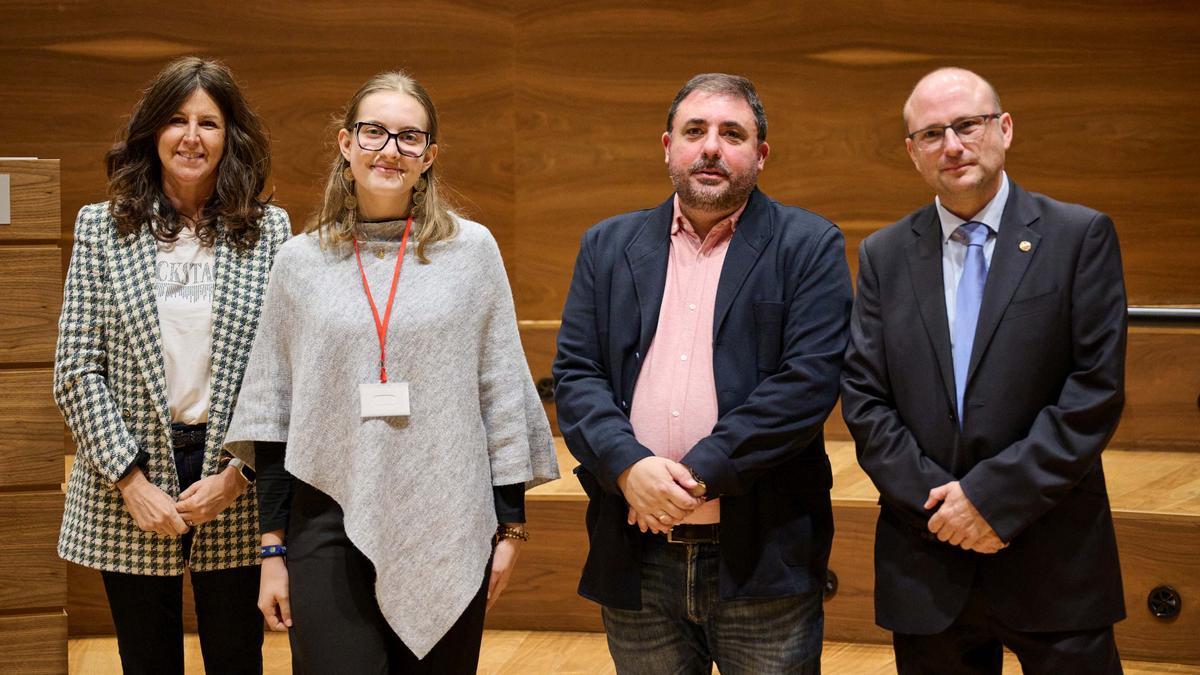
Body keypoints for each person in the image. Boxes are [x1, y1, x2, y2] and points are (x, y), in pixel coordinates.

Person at [223, 70, 558, 673]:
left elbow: (502, 390)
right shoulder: (299, 262)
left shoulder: (473, 253)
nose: (390, 150)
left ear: (429, 156)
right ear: (346, 144)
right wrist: (272, 549)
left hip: (449, 518)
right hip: (327, 517)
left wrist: (510, 527)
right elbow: (274, 412)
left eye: (409, 137)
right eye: (374, 132)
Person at [553, 73, 852, 674]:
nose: (711, 147)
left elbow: (807, 384)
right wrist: (628, 467)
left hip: (763, 554)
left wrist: (692, 477)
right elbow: (578, 376)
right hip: (636, 550)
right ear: (668, 147)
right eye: (695, 131)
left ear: (760, 154)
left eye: (732, 134)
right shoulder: (606, 247)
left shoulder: (809, 245)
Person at [840, 67, 1127, 674]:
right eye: (931, 134)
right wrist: (943, 511)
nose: (952, 145)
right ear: (912, 152)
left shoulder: (1079, 237)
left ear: (1005, 128)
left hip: (1052, 557)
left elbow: (1093, 393)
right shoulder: (884, 255)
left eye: (967, 125)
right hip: (929, 560)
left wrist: (992, 501)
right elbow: (865, 399)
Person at [54, 56, 290, 674]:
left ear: (230, 138)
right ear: (152, 131)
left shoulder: (269, 232)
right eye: (177, 120)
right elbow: (77, 369)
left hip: (231, 475)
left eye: (208, 123)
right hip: (129, 479)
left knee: (237, 657)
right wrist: (130, 481)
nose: (191, 137)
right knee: (147, 660)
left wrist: (238, 474)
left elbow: (282, 372)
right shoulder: (102, 229)